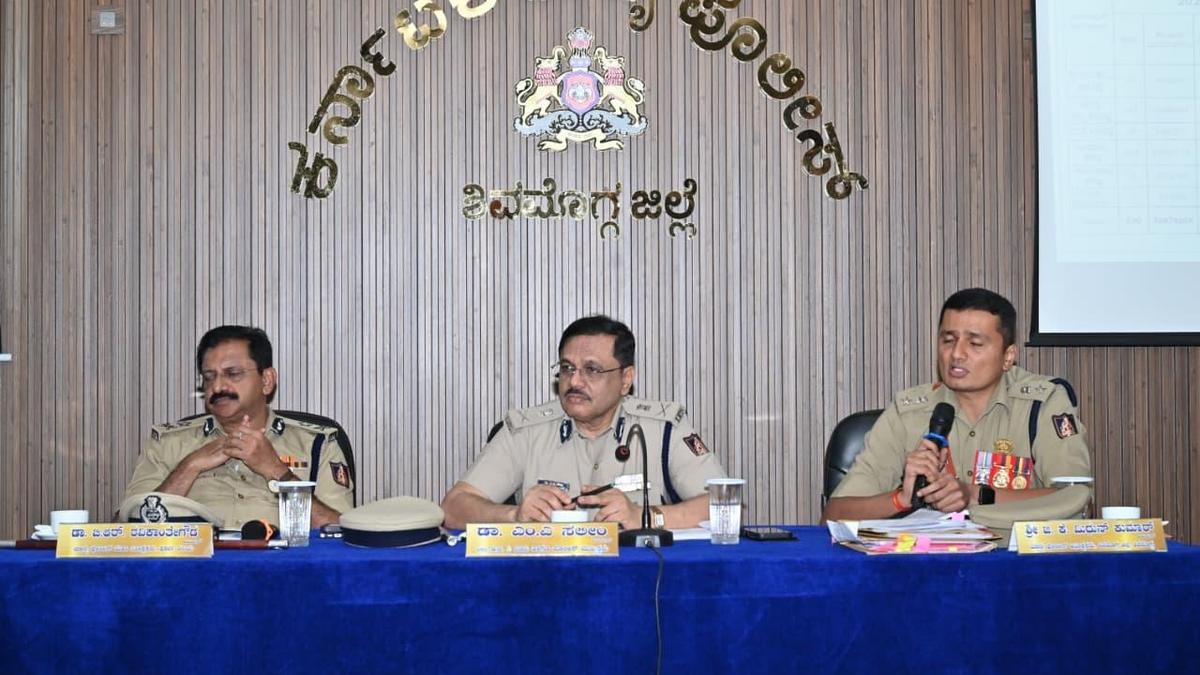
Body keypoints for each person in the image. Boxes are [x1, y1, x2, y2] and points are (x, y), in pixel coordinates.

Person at [822, 288, 1092, 522]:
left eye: (975, 343)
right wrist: (901, 499)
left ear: (1008, 356)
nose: (956, 354)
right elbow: (833, 515)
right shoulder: (908, 412)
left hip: (1017, 560)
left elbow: (1074, 497)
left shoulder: (1042, 403)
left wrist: (974, 495)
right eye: (948, 340)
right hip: (932, 561)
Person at [441, 315, 726, 530]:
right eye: (567, 368)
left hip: (641, 581)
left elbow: (723, 505)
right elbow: (453, 508)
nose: (574, 381)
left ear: (626, 379)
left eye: (592, 369)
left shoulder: (664, 429)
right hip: (547, 580)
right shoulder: (525, 431)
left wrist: (646, 517)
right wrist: (513, 515)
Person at [123, 326, 353, 529]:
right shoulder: (167, 444)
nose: (217, 387)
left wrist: (277, 472)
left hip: (282, 565)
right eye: (209, 377)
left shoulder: (317, 444)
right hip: (195, 564)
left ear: (267, 380)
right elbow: (125, 530)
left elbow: (339, 533)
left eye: (233, 374)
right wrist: (190, 466)